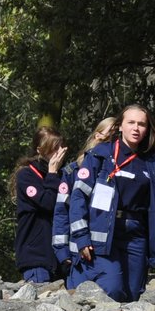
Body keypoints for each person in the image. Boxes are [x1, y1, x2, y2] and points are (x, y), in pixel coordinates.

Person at [66, 104, 155, 302]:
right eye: (131, 122)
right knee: (112, 289)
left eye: (141, 124)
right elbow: (78, 196)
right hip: (105, 235)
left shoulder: (153, 162)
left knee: (132, 295)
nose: (136, 128)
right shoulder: (101, 154)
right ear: (120, 127)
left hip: (136, 236)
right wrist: (81, 237)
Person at [54, 117, 115, 280]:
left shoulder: (119, 172)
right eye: (110, 137)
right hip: (78, 257)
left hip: (109, 255)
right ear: (97, 136)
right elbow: (62, 213)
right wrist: (62, 251)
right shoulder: (72, 171)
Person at [14, 126, 69, 282]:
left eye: (61, 147)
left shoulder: (64, 175)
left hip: (60, 257)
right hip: (36, 258)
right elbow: (48, 203)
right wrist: (52, 174)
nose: (59, 153)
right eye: (54, 148)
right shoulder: (26, 175)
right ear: (40, 150)